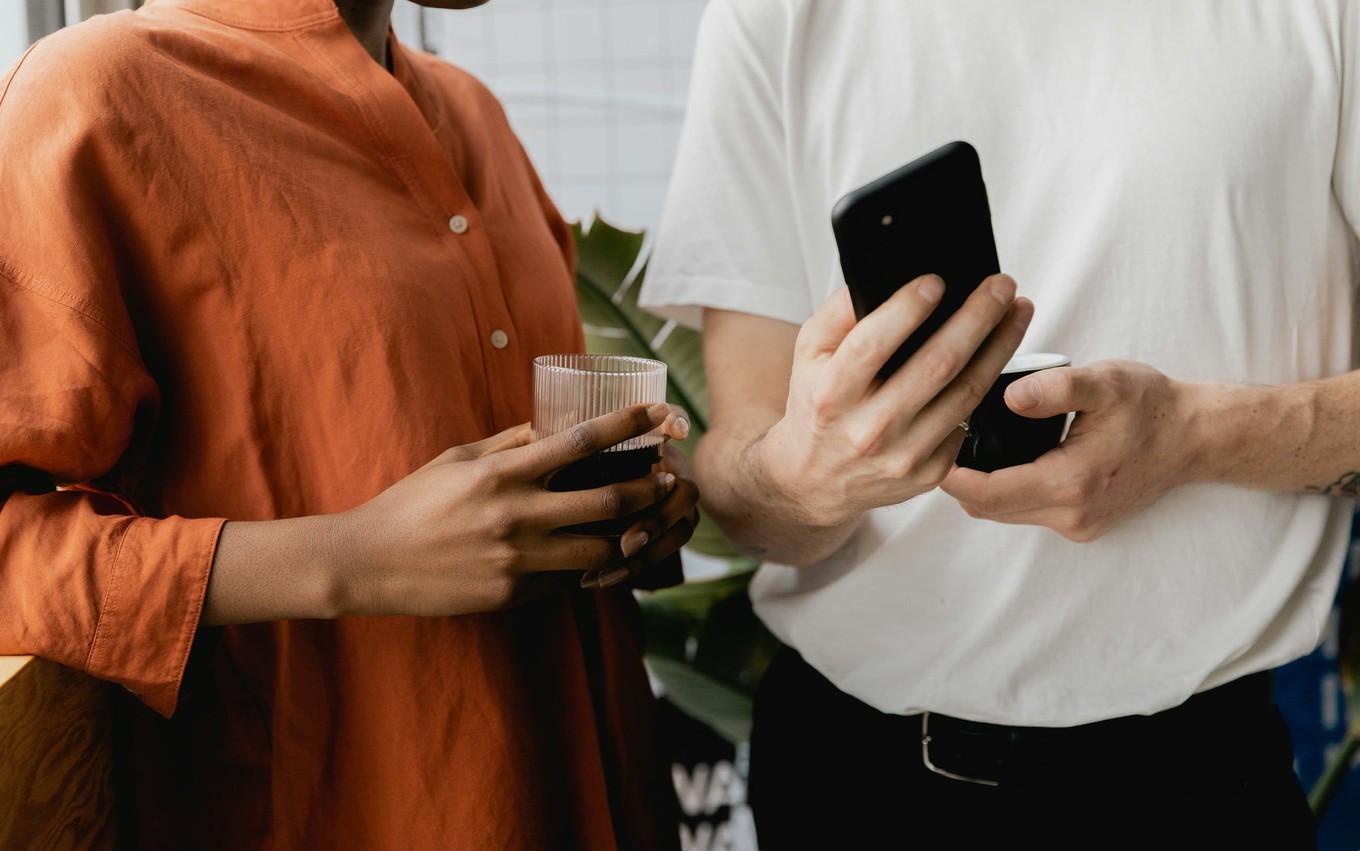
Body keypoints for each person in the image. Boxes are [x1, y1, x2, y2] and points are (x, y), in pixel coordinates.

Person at [639, 1, 1360, 848]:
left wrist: (1196, 436)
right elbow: (741, 479)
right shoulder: (774, 13)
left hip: (1197, 781)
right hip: (853, 778)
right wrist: (806, 477)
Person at [0, 0, 698, 848]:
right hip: (349, 806)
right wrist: (349, 557)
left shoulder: (473, 112)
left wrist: (628, 514)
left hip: (594, 786)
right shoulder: (89, 97)